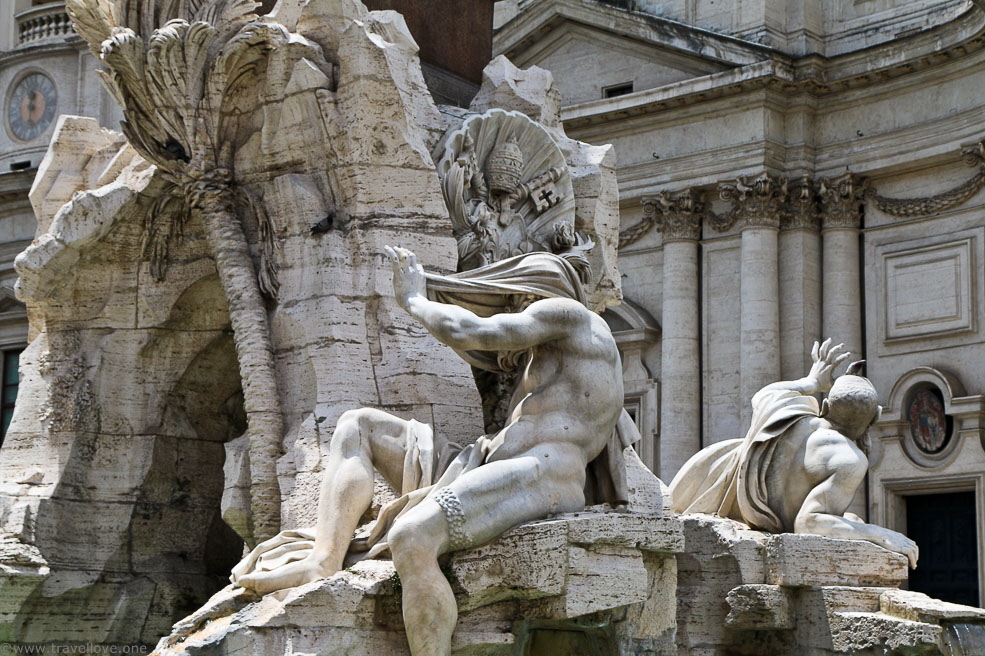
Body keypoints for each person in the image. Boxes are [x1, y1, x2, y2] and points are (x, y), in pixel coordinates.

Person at [231, 246, 632, 656]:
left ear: (533, 293)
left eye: (513, 303)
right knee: (358, 425)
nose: (512, 315)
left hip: (544, 474)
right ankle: (324, 558)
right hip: (487, 461)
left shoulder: (571, 314)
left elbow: (474, 332)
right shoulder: (552, 360)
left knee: (413, 534)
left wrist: (415, 299)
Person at [669, 339, 918, 568]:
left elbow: (765, 394)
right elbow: (808, 523)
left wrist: (812, 382)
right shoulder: (849, 460)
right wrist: (881, 534)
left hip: (706, 487)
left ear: (825, 407)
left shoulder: (791, 411)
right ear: (875, 417)